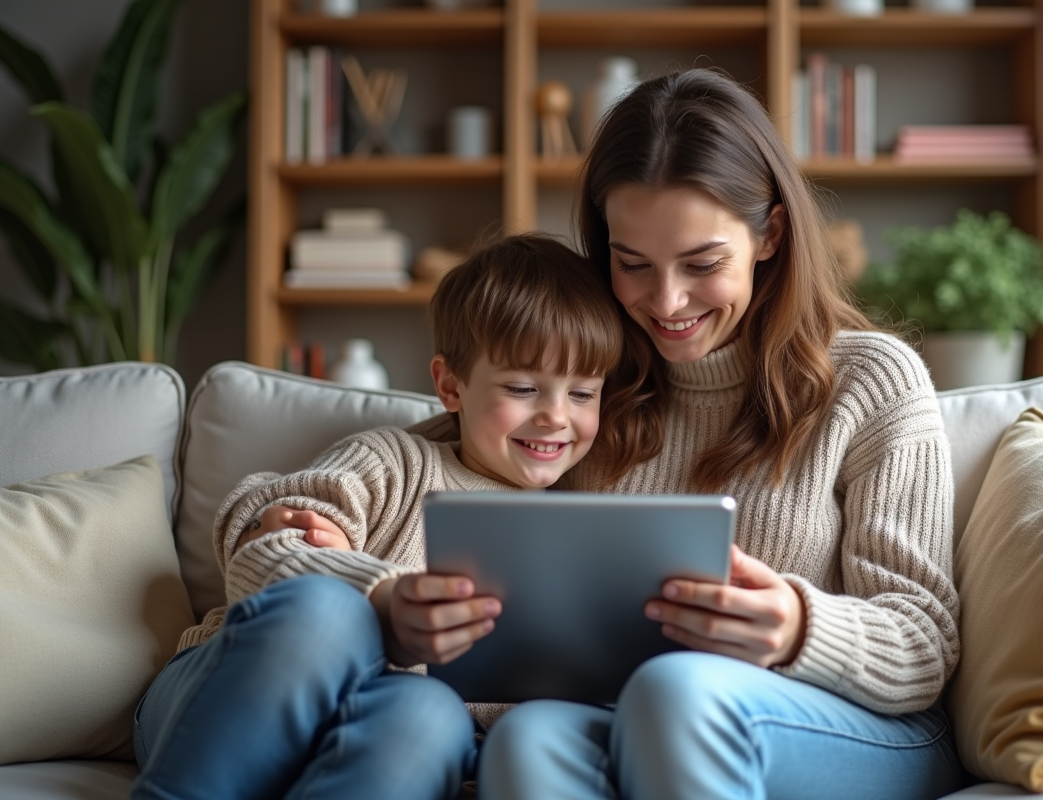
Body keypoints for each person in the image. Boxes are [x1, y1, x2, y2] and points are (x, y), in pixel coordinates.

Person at [259, 69, 964, 800]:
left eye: (702, 264)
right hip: (644, 717)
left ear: (770, 234)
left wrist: (795, 627)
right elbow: (459, 437)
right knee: (526, 739)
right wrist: (310, 524)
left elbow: (923, 643)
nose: (666, 301)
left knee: (679, 692)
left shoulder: (869, 380)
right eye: (633, 264)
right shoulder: (600, 386)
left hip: (856, 725)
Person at [130, 234, 626, 800]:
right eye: (522, 387)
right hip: (231, 697)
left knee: (429, 715)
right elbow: (263, 547)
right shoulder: (395, 462)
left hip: (390, 730)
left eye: (583, 393)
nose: (556, 416)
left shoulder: (583, 531)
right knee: (326, 608)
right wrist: (375, 592)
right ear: (449, 385)